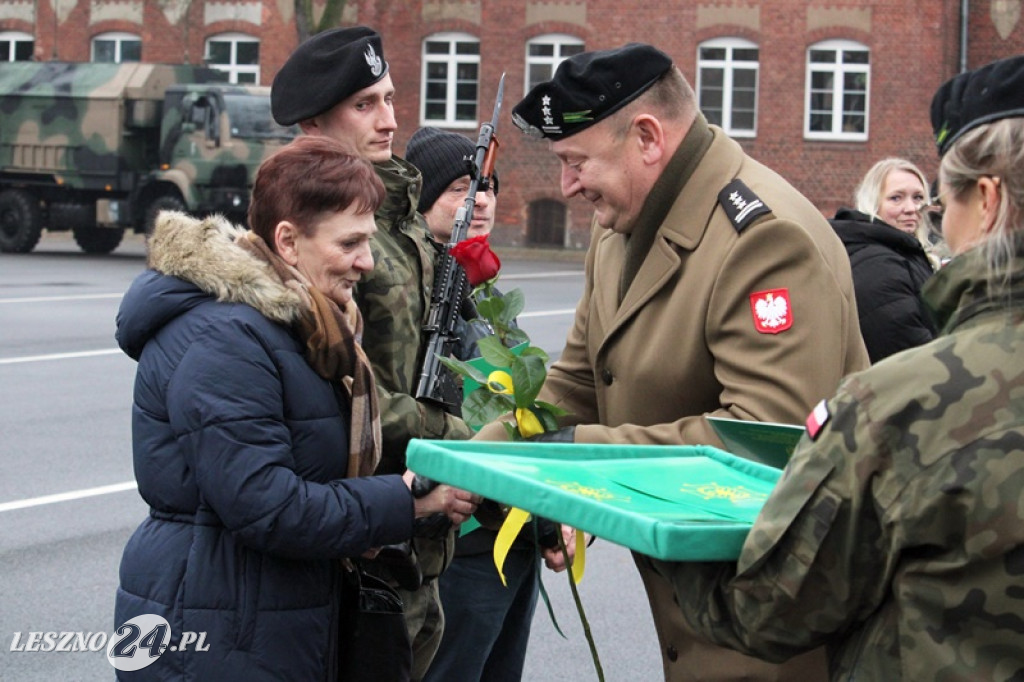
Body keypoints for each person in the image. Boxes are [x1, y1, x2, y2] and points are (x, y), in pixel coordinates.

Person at [482, 42, 870, 682]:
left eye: (577, 162)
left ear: (647, 138)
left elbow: (768, 442)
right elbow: (577, 383)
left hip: (776, 630)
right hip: (700, 615)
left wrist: (572, 459)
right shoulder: (619, 231)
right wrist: (484, 461)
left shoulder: (764, 240)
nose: (566, 185)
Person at [650, 54, 1024, 680]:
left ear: (986, 201)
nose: (937, 220)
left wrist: (665, 536)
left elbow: (768, 609)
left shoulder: (898, 406)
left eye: (942, 202)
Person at [112, 135, 478, 681]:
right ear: (287, 240)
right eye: (350, 243)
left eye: (370, 241)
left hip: (265, 616)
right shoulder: (226, 338)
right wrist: (407, 502)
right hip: (215, 630)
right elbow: (267, 506)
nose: (367, 262)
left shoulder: (307, 328)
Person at [270, 27, 474, 680]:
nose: (389, 120)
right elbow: (331, 391)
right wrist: (451, 437)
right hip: (360, 537)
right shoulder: (315, 232)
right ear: (314, 123)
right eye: (365, 105)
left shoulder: (399, 219)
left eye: (389, 99)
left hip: (416, 537)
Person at [405, 126, 548, 682]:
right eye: (462, 187)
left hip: (515, 525)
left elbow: (525, 399)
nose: (480, 200)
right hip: (462, 536)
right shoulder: (419, 288)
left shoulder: (484, 286)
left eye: (487, 185)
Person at [829, 158, 939, 362]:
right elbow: (906, 350)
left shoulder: (904, 252)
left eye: (918, 198)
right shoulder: (878, 265)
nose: (911, 208)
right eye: (896, 198)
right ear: (873, 203)